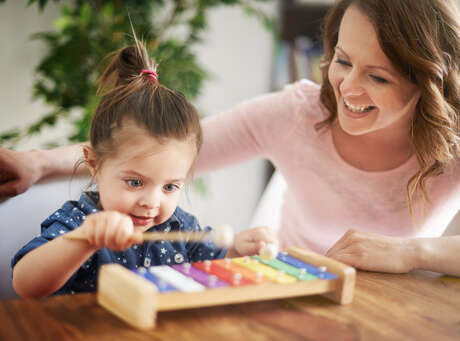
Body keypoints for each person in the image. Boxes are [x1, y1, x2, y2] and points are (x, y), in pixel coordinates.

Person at [2, 0, 460, 276]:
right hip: (286, 295)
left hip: (395, 313)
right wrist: (39, 163)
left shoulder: (452, 143)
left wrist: (410, 252)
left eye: (377, 77)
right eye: (342, 61)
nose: (348, 89)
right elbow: (158, 149)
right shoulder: (298, 114)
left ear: (429, 80)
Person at [10, 38, 277, 298]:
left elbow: (215, 268)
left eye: (170, 187)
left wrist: (237, 250)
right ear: (94, 164)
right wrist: (84, 241)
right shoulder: (78, 222)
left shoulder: (180, 228)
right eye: (135, 182)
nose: (151, 202)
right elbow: (25, 284)